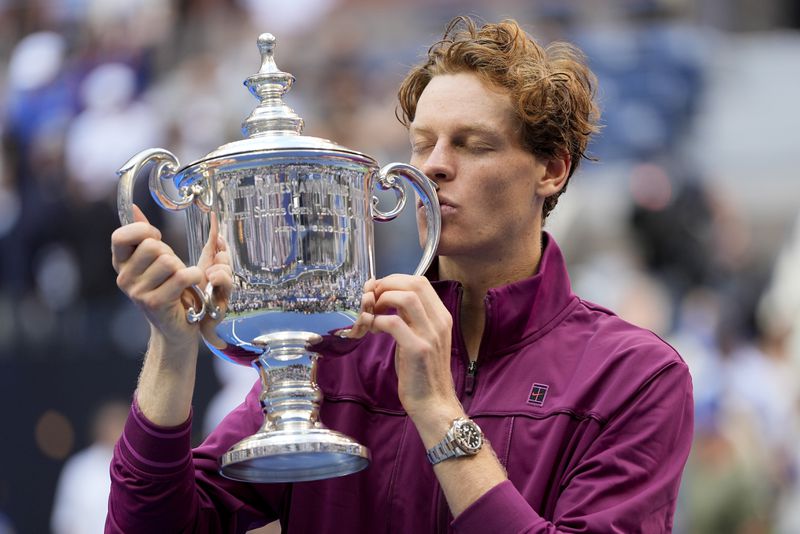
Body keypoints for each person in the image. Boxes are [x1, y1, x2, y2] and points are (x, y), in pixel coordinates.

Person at [107, 16, 693, 533]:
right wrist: (172, 346)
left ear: (552, 170)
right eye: (422, 144)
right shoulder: (340, 357)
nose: (435, 166)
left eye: (473, 145)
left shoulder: (635, 377)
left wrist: (439, 411)